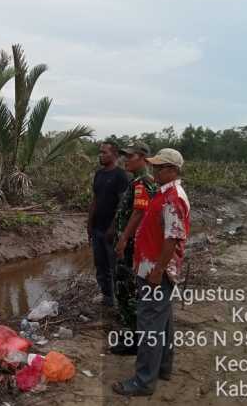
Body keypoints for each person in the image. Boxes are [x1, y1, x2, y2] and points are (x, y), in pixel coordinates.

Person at [112, 148, 190, 397]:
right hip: (151, 268)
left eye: (160, 167)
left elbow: (173, 239)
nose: (154, 170)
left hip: (155, 273)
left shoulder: (173, 198)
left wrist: (156, 272)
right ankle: (163, 368)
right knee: (163, 323)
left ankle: (143, 381)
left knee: (149, 327)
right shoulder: (164, 193)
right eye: (154, 166)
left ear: (173, 170)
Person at [110, 142, 155, 354]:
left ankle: (134, 340)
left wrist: (123, 239)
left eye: (130, 156)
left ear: (143, 158)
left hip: (131, 247)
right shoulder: (137, 181)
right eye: (125, 156)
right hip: (130, 244)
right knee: (126, 288)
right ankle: (132, 333)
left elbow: (139, 212)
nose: (125, 160)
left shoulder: (143, 182)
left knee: (127, 290)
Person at [87, 141, 128, 306]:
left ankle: (119, 301)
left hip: (111, 231)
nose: (101, 155)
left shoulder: (120, 176)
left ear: (114, 155)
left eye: (104, 152)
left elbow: (122, 205)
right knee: (100, 265)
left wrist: (112, 228)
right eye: (100, 152)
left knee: (114, 267)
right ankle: (107, 297)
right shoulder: (99, 174)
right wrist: (89, 224)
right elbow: (95, 200)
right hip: (97, 228)